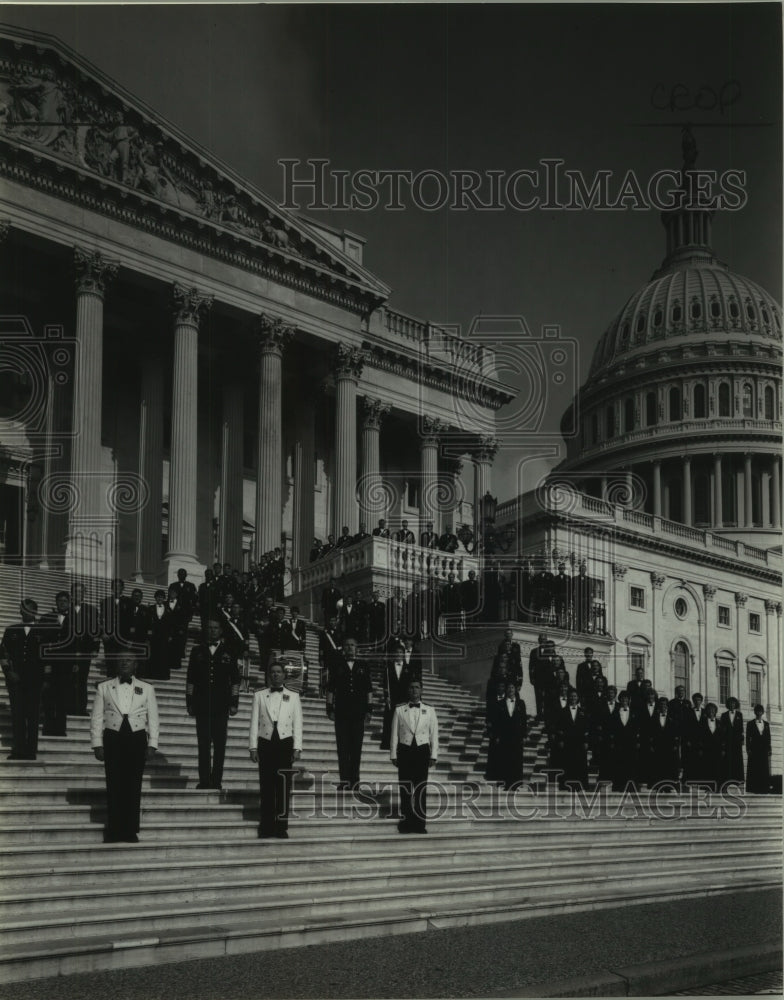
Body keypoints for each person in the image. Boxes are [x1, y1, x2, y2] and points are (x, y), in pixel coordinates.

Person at [90, 651, 158, 843]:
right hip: (113, 737)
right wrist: (97, 744)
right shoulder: (104, 687)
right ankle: (114, 829)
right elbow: (96, 718)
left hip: (137, 738)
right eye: (121, 660)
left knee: (133, 784)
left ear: (136, 664)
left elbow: (153, 719)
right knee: (114, 783)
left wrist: (152, 744)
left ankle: (130, 830)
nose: (124, 663)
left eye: (129, 660)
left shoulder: (147, 688)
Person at [249, 660, 303, 838]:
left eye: (279, 672)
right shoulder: (259, 695)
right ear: (268, 675)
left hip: (285, 742)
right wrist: (253, 747)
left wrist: (297, 747)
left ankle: (281, 827)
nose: (275, 675)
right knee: (266, 786)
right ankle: (266, 826)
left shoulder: (293, 696)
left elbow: (298, 723)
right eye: (272, 672)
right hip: (265, 741)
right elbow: (253, 723)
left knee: (283, 786)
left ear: (284, 675)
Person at [186, 620, 240, 790]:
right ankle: (204, 781)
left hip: (221, 706)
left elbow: (235, 681)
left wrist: (234, 703)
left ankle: (216, 781)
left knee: (219, 745)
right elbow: (190, 679)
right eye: (209, 628)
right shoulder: (197, 651)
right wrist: (190, 702)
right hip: (201, 705)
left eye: (215, 628)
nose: (212, 631)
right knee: (203, 744)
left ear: (221, 631)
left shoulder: (229, 652)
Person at [390, 679, 439, 833]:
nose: (414, 690)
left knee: (420, 789)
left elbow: (434, 734)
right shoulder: (399, 710)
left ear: (421, 690)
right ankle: (406, 823)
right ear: (408, 690)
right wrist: (393, 754)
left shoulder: (430, 710)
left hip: (422, 751)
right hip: (405, 751)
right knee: (405, 789)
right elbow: (394, 734)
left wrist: (434, 755)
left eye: (417, 687)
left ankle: (419, 824)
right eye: (411, 687)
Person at [0, 599, 45, 760]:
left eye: (29, 609)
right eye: (23, 608)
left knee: (32, 716)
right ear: (20, 611)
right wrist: (8, 672)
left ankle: (31, 751)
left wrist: (45, 680)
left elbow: (48, 658)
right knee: (17, 715)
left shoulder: (44, 632)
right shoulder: (11, 630)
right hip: (15, 679)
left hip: (35, 681)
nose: (26, 611)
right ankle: (18, 750)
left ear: (34, 612)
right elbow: (3, 654)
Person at [326, 637, 373, 790]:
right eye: (346, 645)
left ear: (356, 648)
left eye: (352, 645)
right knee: (343, 748)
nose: (349, 648)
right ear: (343, 648)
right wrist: (329, 708)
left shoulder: (363, 665)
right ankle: (344, 781)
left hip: (358, 713)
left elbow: (369, 690)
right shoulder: (336, 665)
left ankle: (355, 780)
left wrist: (369, 709)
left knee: (356, 748)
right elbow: (331, 689)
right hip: (341, 713)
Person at [39, 591, 73, 737]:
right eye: (60, 600)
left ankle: (60, 728)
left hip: (65, 664)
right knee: (48, 695)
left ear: (69, 602)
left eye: (65, 600)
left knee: (63, 696)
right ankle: (48, 726)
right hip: (49, 661)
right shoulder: (47, 618)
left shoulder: (75, 619)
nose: (62, 603)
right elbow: (40, 639)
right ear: (56, 602)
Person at [381, 644, 420, 751]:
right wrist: (386, 697)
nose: (398, 654)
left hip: (404, 699)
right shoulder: (388, 668)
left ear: (403, 655)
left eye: (400, 652)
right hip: (392, 698)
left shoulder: (408, 668)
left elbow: (411, 684)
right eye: (397, 652)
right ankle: (387, 744)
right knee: (390, 721)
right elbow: (385, 684)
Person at [490, 680, 527, 790]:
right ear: (506, 690)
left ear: (515, 690)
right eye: (509, 688)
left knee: (516, 760)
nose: (511, 690)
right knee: (504, 759)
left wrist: (524, 735)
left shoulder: (521, 703)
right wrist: (496, 736)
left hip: (517, 736)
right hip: (504, 736)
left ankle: (516, 784)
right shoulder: (500, 703)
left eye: (512, 688)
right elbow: (496, 721)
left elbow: (524, 721)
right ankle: (505, 782)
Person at [69, 582, 100, 714]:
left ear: (84, 594)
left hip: (85, 649)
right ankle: (68, 707)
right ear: (72, 594)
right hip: (68, 650)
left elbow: (96, 630)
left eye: (81, 592)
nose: (78, 594)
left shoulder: (92, 610)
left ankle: (81, 708)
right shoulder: (66, 608)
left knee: (82, 679)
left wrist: (95, 648)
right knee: (69, 679)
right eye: (75, 592)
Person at [554, 690, 589, 789]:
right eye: (571, 696)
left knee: (579, 764)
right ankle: (566, 785)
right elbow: (559, 727)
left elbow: (586, 728)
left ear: (578, 698)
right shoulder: (563, 711)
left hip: (579, 742)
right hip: (567, 742)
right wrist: (560, 740)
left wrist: (586, 741)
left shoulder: (583, 711)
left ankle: (580, 785)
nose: (573, 698)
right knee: (567, 763)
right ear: (569, 698)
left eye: (575, 696)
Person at [609, 690, 639, 791]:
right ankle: (618, 785)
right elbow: (612, 728)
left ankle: (630, 786)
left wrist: (637, 741)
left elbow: (637, 728)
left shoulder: (634, 712)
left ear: (629, 700)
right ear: (620, 700)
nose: (624, 700)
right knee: (618, 764)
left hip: (631, 743)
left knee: (631, 764)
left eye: (626, 698)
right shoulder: (615, 712)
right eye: (622, 698)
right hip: (619, 743)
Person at [647, 697, 680, 787]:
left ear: (667, 706)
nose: (663, 706)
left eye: (665, 704)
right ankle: (657, 785)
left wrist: (675, 745)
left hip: (669, 746)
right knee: (658, 765)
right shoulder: (654, 717)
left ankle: (668, 785)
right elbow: (650, 733)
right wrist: (651, 745)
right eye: (661, 704)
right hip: (657, 745)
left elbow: (676, 732)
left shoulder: (672, 717)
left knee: (668, 765)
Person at [745, 705, 772, 794]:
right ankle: (754, 788)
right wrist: (748, 749)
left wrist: (769, 749)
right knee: (754, 768)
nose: (759, 713)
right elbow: (747, 737)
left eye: (760, 711)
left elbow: (768, 738)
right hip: (754, 749)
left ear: (762, 712)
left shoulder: (767, 724)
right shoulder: (750, 724)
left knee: (764, 768)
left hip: (763, 750)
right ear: (755, 712)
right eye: (757, 711)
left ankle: (764, 788)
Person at [719, 697, 744, 786]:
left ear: (735, 704)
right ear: (728, 705)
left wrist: (741, 739)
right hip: (727, 741)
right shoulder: (724, 715)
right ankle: (727, 780)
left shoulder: (739, 715)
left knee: (737, 759)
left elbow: (741, 729)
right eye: (730, 703)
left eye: (733, 703)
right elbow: (722, 730)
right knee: (728, 760)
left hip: (737, 741)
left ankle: (737, 780)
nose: (732, 705)